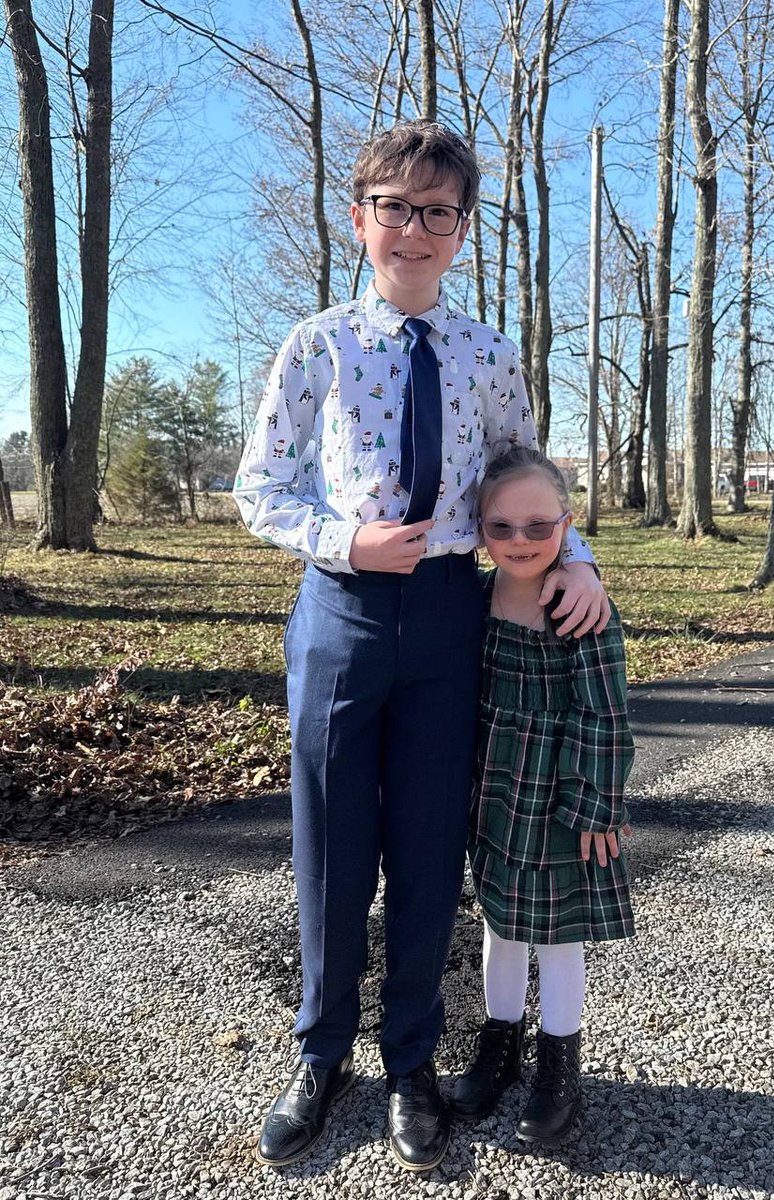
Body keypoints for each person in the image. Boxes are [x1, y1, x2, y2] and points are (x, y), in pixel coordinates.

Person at [233, 119, 610, 1173]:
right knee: (333, 845)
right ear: (360, 221)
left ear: (461, 231)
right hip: (342, 613)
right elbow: (258, 490)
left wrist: (572, 556)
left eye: (436, 211)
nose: (414, 228)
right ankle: (320, 1053)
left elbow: (523, 483)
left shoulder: (490, 356)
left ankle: (410, 1062)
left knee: (432, 852)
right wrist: (342, 539)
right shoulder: (317, 346)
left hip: (454, 616)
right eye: (393, 207)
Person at [449, 444, 635, 1146]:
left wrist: (596, 801)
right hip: (496, 791)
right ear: (479, 527)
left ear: (567, 523)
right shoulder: (474, 598)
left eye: (538, 526)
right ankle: (500, 1043)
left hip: (559, 796)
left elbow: (604, 710)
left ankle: (560, 1061)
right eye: (501, 528)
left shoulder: (578, 607)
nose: (520, 541)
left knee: (558, 937)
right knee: (500, 922)